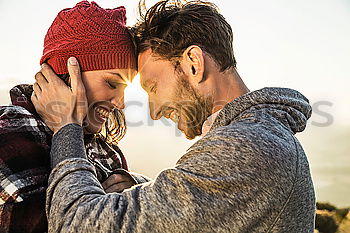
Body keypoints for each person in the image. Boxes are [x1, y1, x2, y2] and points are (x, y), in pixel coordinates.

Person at [34, 0, 316, 232]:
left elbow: (74, 224)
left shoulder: (245, 147)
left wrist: (67, 126)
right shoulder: (260, 137)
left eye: (153, 87)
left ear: (193, 64)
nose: (154, 111)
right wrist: (143, 191)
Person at [0, 1, 149, 232]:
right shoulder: (8, 133)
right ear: (69, 71)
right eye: (111, 83)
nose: (120, 103)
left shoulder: (109, 154)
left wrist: (136, 189)